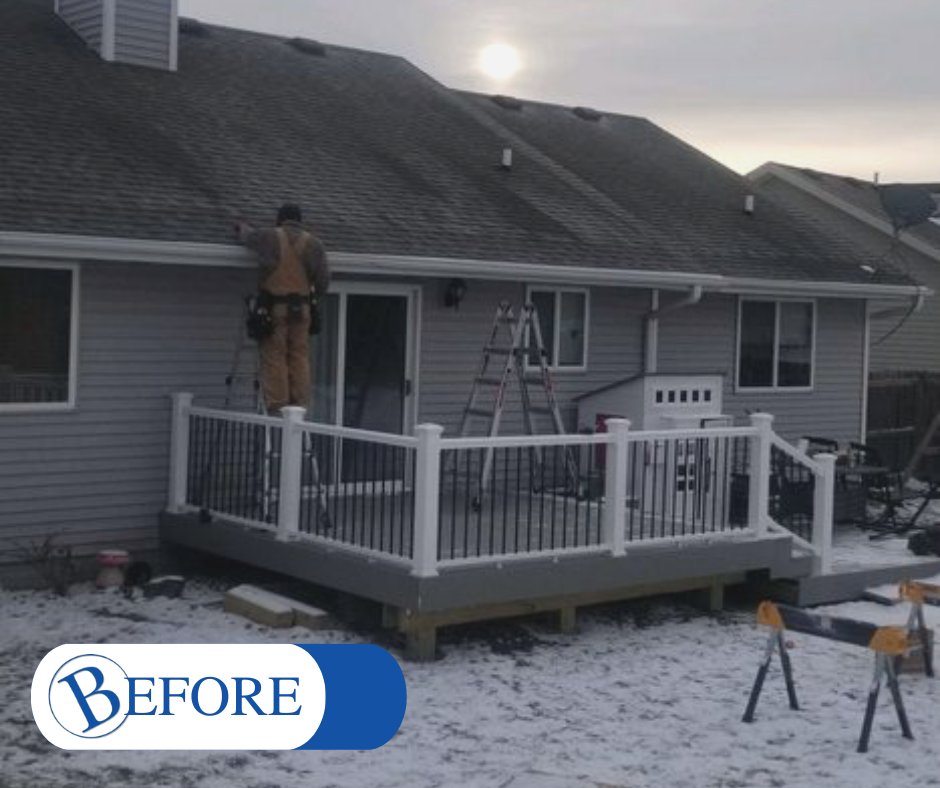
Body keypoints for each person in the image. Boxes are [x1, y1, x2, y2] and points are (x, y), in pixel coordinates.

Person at [236, 204, 330, 414]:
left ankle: (278, 406)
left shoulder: (270, 236)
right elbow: (323, 281)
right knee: (299, 355)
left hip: (275, 307)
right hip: (303, 309)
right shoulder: (314, 244)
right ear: (299, 220)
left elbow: (249, 237)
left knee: (275, 355)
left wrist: (241, 227)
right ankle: (300, 405)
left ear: (280, 219)